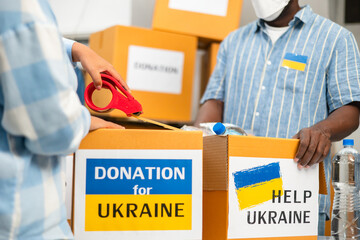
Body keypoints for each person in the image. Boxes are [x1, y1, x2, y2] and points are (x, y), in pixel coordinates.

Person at [195, 0, 360, 235]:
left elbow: (350, 109)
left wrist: (322, 131)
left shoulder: (335, 39)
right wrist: (196, 134)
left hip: (294, 195)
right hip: (236, 192)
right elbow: (214, 100)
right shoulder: (233, 42)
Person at [0, 0, 127, 239]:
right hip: (22, 223)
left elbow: (17, 40)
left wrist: (74, 49)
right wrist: (85, 121)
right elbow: (54, 132)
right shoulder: (22, 6)